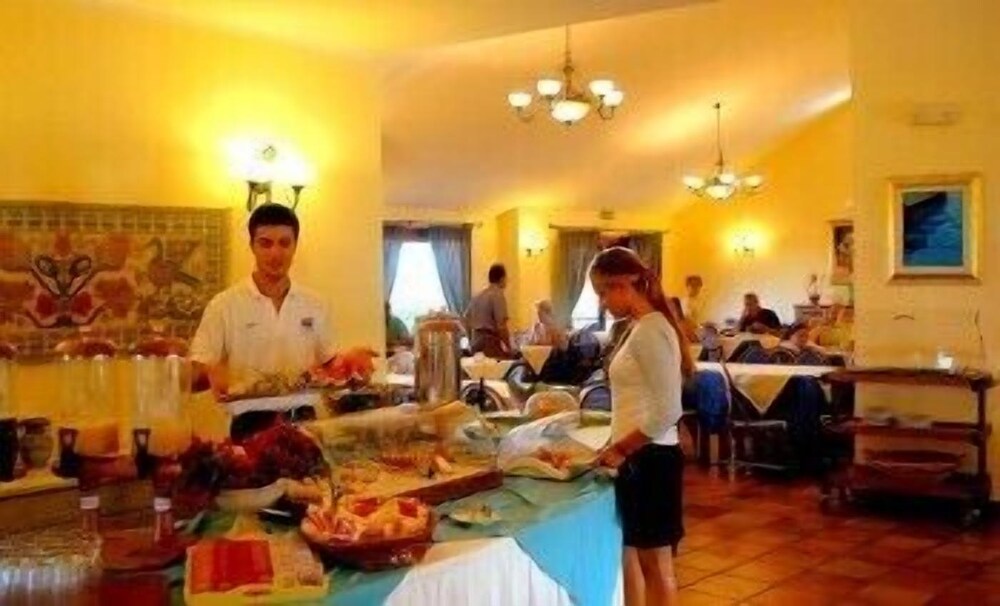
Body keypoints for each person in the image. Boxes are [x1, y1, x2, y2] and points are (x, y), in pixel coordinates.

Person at [189, 204, 369, 439]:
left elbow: (329, 364)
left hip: (305, 422)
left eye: (284, 243)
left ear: (295, 245)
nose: (275, 253)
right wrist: (209, 372)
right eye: (265, 243)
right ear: (252, 246)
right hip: (248, 425)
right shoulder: (223, 305)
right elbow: (197, 373)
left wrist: (348, 363)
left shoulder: (316, 304)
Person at [592, 247, 693, 606]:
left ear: (623, 284)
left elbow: (668, 410)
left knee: (657, 565)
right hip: (640, 457)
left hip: (651, 460)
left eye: (603, 292)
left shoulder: (651, 330)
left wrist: (621, 448)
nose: (603, 302)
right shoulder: (640, 327)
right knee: (631, 555)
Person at [465, 263, 511, 358]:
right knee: (502, 366)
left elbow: (466, 318)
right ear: (502, 279)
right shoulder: (498, 295)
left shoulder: (477, 296)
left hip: (475, 341)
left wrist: (470, 339)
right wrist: (509, 347)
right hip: (490, 343)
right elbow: (501, 326)